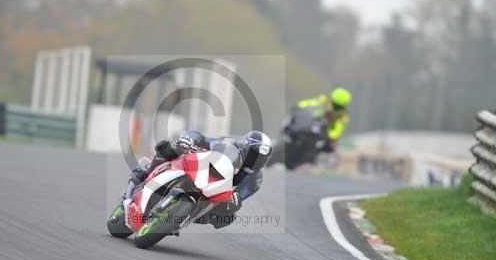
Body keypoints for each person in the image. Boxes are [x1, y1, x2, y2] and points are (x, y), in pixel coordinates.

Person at [124, 130, 273, 229]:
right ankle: (145, 171)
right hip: (200, 167)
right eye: (254, 155)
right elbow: (203, 138)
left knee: (228, 217)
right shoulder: (230, 143)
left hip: (216, 191)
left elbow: (241, 196)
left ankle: (184, 215)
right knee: (169, 149)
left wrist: (236, 200)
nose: (256, 161)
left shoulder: (255, 179)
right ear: (245, 148)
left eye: (261, 159)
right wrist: (189, 140)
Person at [296, 87, 351, 152]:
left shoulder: (342, 117)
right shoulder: (323, 101)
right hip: (308, 123)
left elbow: (337, 131)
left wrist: (331, 139)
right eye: (335, 104)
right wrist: (301, 106)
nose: (335, 108)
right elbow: (310, 103)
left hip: (320, 134)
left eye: (338, 107)